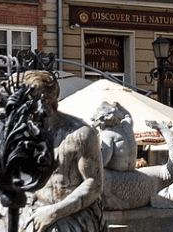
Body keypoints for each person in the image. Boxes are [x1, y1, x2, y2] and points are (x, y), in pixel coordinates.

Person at [17, 70, 104, 232]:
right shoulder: (24, 133)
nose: (23, 108)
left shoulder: (81, 134)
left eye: (28, 101)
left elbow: (95, 185)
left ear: (46, 100)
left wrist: (54, 212)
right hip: (33, 209)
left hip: (74, 212)